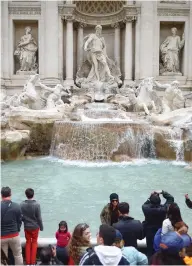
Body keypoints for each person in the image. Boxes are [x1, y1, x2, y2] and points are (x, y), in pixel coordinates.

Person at [142, 190, 174, 258]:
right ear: (159, 201)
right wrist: (162, 192)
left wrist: (151, 196)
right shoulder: (164, 209)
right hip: (160, 231)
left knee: (149, 250)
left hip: (149, 231)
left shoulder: (145, 208)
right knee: (159, 249)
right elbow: (171, 198)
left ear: (150, 201)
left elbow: (145, 203)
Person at [20, 188, 43, 265]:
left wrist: (25, 221)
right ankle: (33, 262)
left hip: (27, 227)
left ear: (26, 195)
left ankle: (28, 262)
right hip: (35, 227)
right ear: (33, 194)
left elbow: (21, 216)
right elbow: (39, 218)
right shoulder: (37, 204)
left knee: (28, 243)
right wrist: (41, 227)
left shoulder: (22, 204)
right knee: (34, 243)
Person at [1, 186, 23, 265]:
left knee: (3, 258)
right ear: (10, 194)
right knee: (18, 255)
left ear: (1, 195)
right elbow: (19, 220)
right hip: (14, 235)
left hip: (2, 237)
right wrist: (17, 229)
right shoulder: (16, 206)